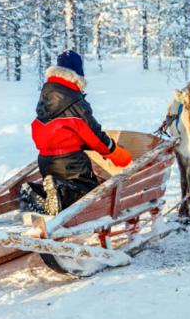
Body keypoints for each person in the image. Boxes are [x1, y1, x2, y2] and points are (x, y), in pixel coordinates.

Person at [21, 50, 132, 215]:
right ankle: (59, 192)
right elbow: (95, 136)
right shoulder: (74, 101)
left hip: (45, 161)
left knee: (60, 193)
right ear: (77, 76)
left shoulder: (47, 97)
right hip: (71, 163)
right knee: (88, 192)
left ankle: (34, 191)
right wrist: (116, 154)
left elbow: (61, 131)